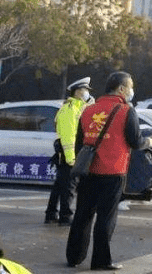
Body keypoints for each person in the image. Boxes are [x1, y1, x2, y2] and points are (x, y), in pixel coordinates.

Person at [66, 71, 152, 270]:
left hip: (88, 171)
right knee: (106, 217)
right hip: (113, 172)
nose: (131, 91)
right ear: (121, 89)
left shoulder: (88, 110)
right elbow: (135, 141)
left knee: (82, 215)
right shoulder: (126, 111)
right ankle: (101, 261)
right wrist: (149, 141)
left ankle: (74, 257)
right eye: (130, 87)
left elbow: (80, 144)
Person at [45, 77, 92, 226]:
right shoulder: (70, 109)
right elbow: (68, 136)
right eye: (84, 90)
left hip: (67, 155)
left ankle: (51, 214)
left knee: (60, 185)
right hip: (68, 155)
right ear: (77, 92)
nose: (86, 93)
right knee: (69, 187)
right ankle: (65, 216)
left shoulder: (77, 107)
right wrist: (72, 159)